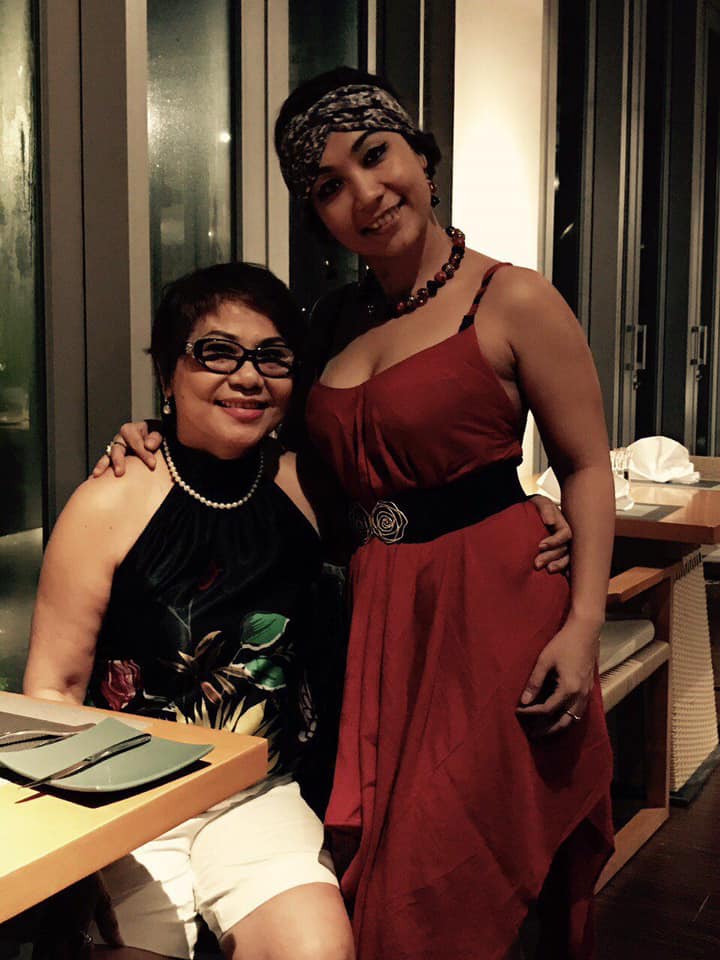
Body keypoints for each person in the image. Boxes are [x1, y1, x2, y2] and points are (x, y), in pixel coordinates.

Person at [99, 67, 611, 959]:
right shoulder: (332, 320)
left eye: (377, 156)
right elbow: (261, 434)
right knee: (372, 864)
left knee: (449, 855)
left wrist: (585, 621)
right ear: (319, 215)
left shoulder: (512, 297)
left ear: (422, 157)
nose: (366, 194)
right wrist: (155, 434)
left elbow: (587, 464)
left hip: (490, 608)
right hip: (374, 614)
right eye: (330, 185)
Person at [23, 262, 356, 960]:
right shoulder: (111, 498)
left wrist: (531, 510)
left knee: (319, 950)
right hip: (125, 802)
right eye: (217, 352)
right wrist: (74, 857)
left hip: (258, 795)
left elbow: (420, 526)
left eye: (272, 357)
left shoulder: (306, 486)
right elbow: (53, 689)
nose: (248, 376)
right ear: (168, 373)